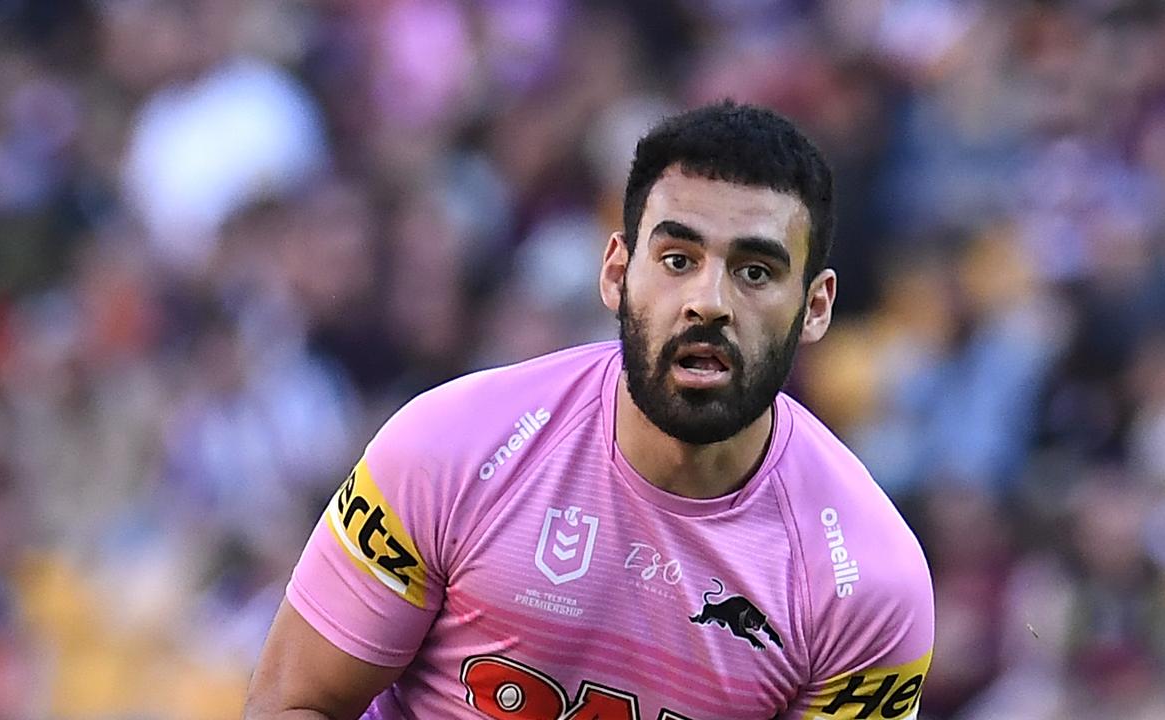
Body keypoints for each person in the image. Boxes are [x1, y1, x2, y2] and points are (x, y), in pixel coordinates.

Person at [243, 101, 934, 720]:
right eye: (676, 258)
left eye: (755, 271)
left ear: (815, 307)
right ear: (615, 273)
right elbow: (293, 702)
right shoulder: (446, 447)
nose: (709, 301)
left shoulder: (868, 586)